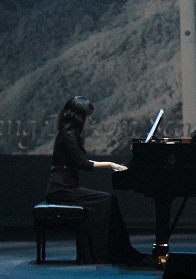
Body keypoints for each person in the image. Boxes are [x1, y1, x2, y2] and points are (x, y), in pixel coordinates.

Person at [45, 96, 145, 265]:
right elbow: (81, 163)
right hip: (61, 189)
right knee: (107, 200)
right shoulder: (68, 136)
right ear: (78, 116)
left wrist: (109, 164)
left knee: (107, 201)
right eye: (87, 116)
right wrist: (109, 164)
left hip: (66, 187)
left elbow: (78, 161)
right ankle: (109, 253)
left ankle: (112, 251)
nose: (89, 120)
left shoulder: (69, 135)